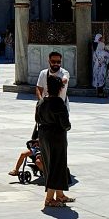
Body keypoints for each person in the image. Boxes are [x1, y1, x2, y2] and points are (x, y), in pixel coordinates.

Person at [36, 75, 73, 209]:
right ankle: (49, 198)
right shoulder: (58, 102)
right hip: (57, 136)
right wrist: (67, 126)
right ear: (60, 88)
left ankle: (60, 194)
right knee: (57, 164)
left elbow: (37, 118)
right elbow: (65, 124)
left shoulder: (41, 101)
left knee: (50, 163)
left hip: (44, 135)